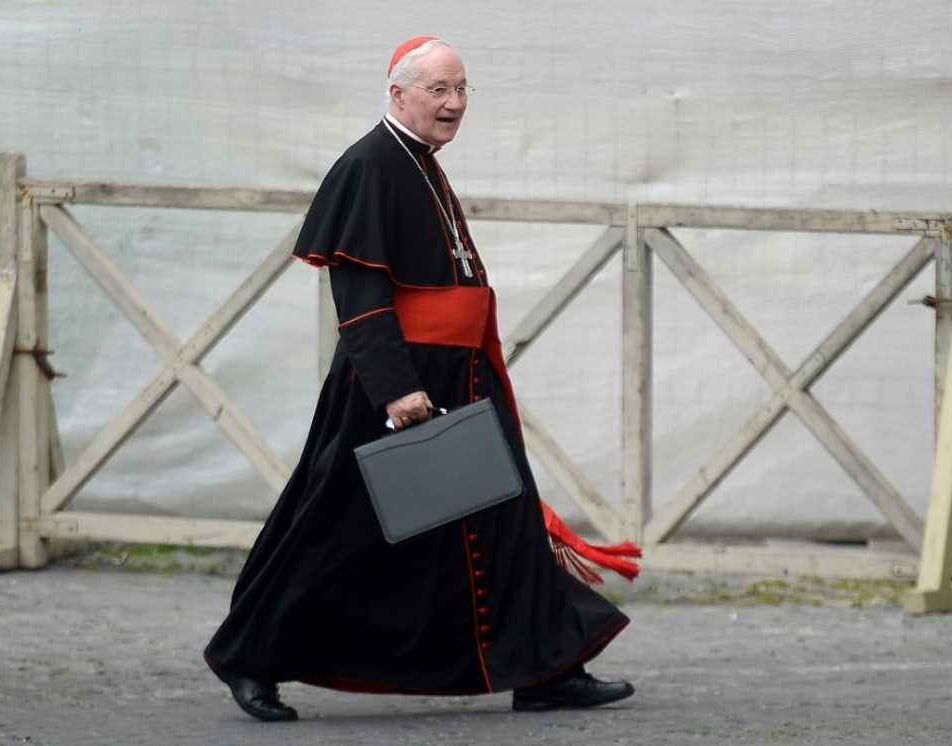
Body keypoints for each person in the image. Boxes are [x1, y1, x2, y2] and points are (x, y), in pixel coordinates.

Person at [204, 36, 642, 722]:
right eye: (438, 90)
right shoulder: (369, 164)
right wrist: (396, 388)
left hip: (459, 376)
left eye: (462, 89)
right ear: (397, 93)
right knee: (334, 527)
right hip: (399, 384)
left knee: (506, 521)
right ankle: (248, 657)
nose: (454, 103)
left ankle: (549, 668)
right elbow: (358, 290)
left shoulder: (419, 163)